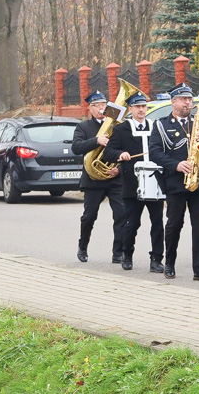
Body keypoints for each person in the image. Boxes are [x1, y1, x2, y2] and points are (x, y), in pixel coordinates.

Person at [149, 82, 199, 281]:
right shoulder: (161, 125)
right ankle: (169, 264)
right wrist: (176, 165)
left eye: (190, 99)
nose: (187, 103)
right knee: (174, 225)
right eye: (183, 99)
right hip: (176, 182)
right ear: (173, 102)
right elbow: (154, 152)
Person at [102, 91, 164, 272]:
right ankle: (126, 254)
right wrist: (120, 154)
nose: (141, 110)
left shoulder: (156, 126)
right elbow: (108, 152)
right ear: (131, 109)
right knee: (132, 223)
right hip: (132, 182)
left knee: (158, 223)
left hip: (155, 181)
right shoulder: (122, 129)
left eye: (144, 106)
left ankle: (157, 259)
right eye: (138, 107)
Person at [70, 90, 127, 262]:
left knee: (121, 214)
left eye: (103, 105)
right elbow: (76, 148)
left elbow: (126, 149)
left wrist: (119, 168)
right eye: (97, 105)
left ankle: (118, 253)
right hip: (93, 179)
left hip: (114, 177)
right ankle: (83, 246)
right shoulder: (83, 127)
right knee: (89, 216)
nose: (101, 108)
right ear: (90, 108)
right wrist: (96, 141)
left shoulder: (116, 125)